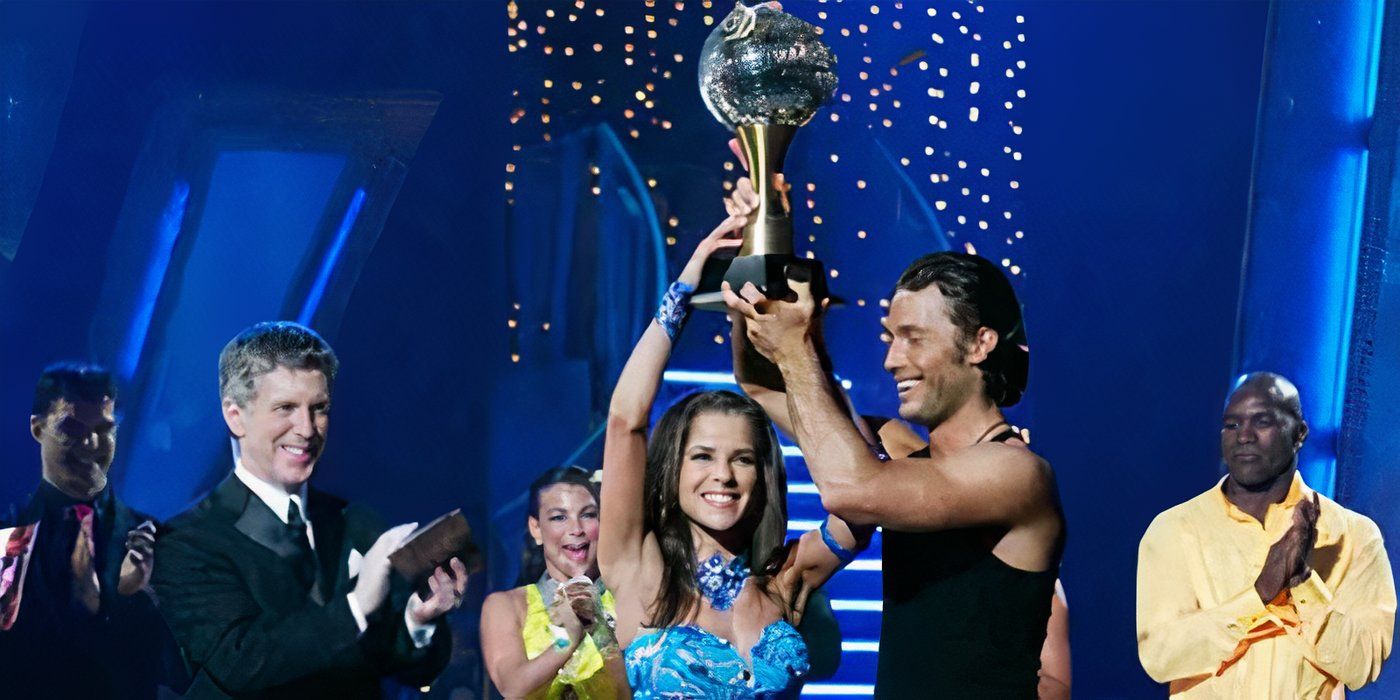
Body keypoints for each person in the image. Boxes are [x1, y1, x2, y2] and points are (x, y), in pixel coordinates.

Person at [724, 221, 1065, 695]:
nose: (891, 360)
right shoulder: (902, 455)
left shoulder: (1016, 474)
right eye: (890, 338)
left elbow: (851, 490)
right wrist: (763, 234)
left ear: (980, 343)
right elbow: (763, 386)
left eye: (913, 337)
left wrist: (797, 346)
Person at [599, 218, 871, 699]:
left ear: (763, 476)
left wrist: (806, 349)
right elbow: (625, 420)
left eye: (743, 460)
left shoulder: (786, 582)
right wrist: (684, 288)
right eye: (702, 457)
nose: (722, 476)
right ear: (673, 471)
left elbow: (866, 489)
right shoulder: (637, 566)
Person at [151, 321, 468, 698]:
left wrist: (419, 621)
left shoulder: (355, 522)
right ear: (235, 416)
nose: (306, 428)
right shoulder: (187, 540)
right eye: (285, 408)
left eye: (319, 409)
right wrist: (356, 605)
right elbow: (239, 662)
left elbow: (410, 668)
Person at [1137, 372, 1395, 697]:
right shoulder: (1174, 529)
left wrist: (1301, 590)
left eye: (1262, 422)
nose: (1244, 436)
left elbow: (1361, 666)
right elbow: (1160, 658)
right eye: (1232, 425)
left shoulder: (1353, 536)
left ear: (1299, 433)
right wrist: (1259, 596)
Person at [0, 361, 184, 698]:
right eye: (71, 428)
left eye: (104, 428)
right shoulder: (3, 535)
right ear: (38, 428)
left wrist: (138, 599)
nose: (90, 443)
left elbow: (180, 671)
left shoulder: (156, 542)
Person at [481, 466, 628, 699]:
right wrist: (567, 637)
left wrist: (599, 629)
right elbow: (513, 688)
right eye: (559, 517)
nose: (576, 529)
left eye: (588, 514)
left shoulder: (628, 596)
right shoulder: (507, 605)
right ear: (536, 529)